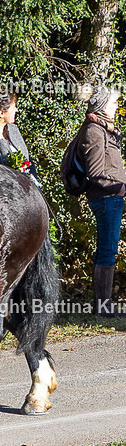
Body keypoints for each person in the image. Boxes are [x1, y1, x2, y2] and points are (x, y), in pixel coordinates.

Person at [75, 86, 126, 316]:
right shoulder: (94, 132)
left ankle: (103, 305)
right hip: (106, 198)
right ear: (103, 106)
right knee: (107, 250)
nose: (117, 106)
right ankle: (103, 307)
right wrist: (120, 186)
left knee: (107, 249)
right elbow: (95, 172)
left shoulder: (104, 129)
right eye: (113, 102)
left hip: (111, 197)